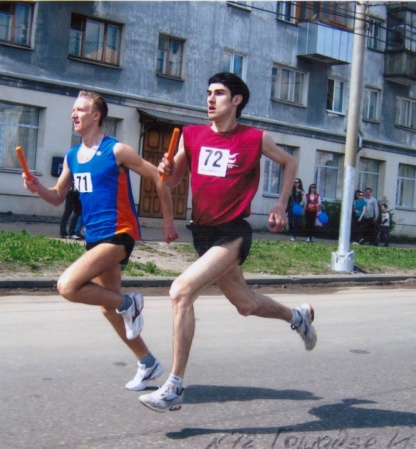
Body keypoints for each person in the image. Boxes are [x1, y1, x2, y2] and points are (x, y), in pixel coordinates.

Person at [139, 73, 317, 413]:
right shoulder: (191, 135)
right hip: (203, 234)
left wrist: (281, 204)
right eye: (208, 93)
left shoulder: (254, 138)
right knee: (246, 304)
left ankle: (174, 387)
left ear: (236, 100)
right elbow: (173, 180)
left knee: (181, 291)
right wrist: (166, 169)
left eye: (219, 93)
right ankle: (297, 316)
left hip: (233, 232)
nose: (210, 99)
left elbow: (289, 162)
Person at [22, 90, 179, 391]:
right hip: (93, 236)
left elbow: (158, 178)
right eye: (73, 109)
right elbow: (57, 197)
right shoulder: (72, 156)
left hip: (119, 233)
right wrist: (37, 186)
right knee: (108, 307)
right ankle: (147, 362)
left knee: (68, 286)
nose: (74, 114)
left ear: (96, 116)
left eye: (80, 109)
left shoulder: (116, 151)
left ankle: (130, 302)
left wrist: (168, 220)